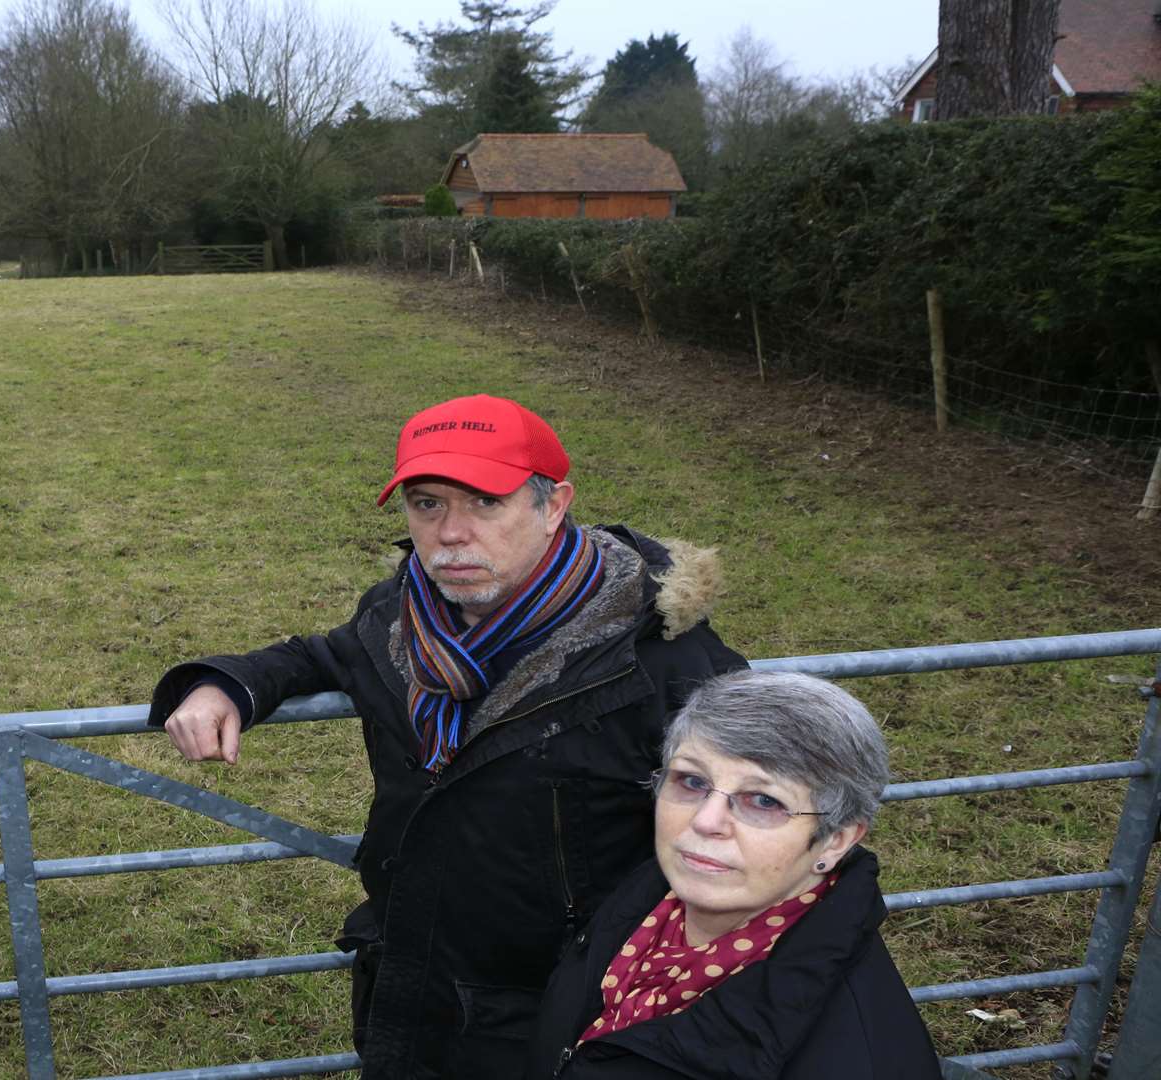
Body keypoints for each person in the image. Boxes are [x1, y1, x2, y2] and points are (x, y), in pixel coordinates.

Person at [150, 394, 747, 1077]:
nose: (450, 533)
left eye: (485, 503)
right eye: (426, 504)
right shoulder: (401, 614)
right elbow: (328, 654)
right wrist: (226, 684)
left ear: (553, 506)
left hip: (565, 1006)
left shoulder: (658, 659)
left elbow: (760, 830)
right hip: (411, 975)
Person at [524, 670, 938, 1079]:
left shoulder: (854, 1058)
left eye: (763, 799)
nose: (705, 821)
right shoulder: (654, 893)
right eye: (691, 780)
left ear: (835, 840)